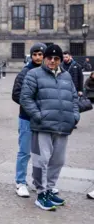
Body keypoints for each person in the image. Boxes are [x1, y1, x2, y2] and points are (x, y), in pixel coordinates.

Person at [20, 44, 79, 211]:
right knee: (41, 161)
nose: (53, 61)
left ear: (60, 60)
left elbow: (74, 98)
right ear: (45, 58)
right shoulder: (34, 74)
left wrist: (74, 117)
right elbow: (25, 98)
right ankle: (40, 193)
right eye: (50, 58)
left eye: (56, 58)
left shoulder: (66, 76)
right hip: (43, 126)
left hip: (63, 126)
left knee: (58, 161)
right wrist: (39, 116)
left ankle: (50, 189)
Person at [12, 43, 46, 198]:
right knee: (24, 151)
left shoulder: (49, 71)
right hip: (26, 118)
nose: (38, 57)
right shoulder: (24, 72)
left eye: (40, 54)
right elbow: (16, 94)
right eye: (35, 54)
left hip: (44, 118)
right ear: (31, 56)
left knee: (41, 153)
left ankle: (37, 181)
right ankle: (20, 182)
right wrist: (33, 107)